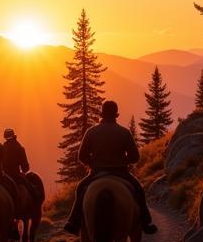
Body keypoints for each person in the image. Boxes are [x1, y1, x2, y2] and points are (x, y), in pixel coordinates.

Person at [62, 101, 158, 235]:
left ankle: (73, 222)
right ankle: (146, 222)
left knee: (80, 189)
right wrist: (122, 161)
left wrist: (93, 163)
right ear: (116, 115)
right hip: (121, 173)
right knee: (139, 190)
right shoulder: (124, 132)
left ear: (102, 114)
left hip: (97, 172)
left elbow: (82, 156)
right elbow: (135, 157)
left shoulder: (91, 132)